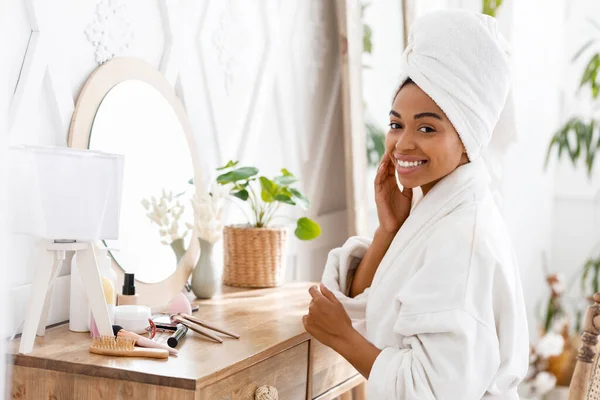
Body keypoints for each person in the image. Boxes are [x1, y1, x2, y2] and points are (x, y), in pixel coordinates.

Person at [302, 9, 529, 399]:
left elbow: (431, 390)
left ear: (468, 138)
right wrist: (387, 231)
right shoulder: (440, 209)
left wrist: (342, 337)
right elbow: (374, 304)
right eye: (396, 124)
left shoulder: (463, 239)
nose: (403, 144)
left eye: (427, 127)